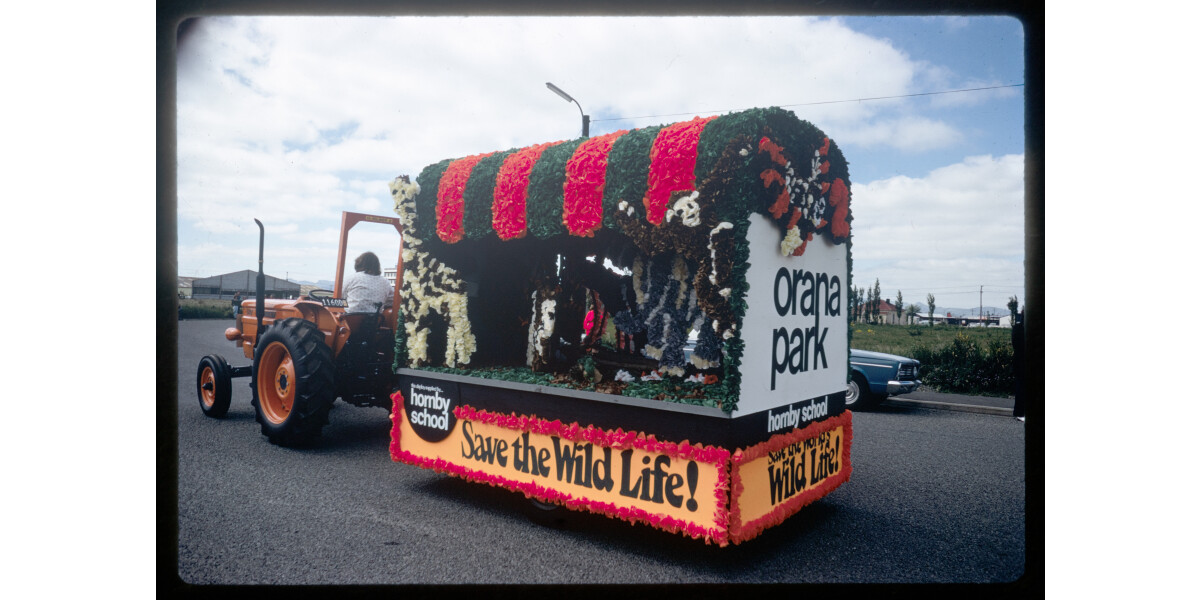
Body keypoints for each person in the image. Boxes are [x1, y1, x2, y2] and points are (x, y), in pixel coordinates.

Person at [1011, 308, 1025, 422]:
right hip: (1022, 362)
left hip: (1019, 362)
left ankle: (1019, 412)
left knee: (1020, 387)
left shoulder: (1017, 328)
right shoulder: (1021, 329)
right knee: (1021, 388)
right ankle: (1020, 412)